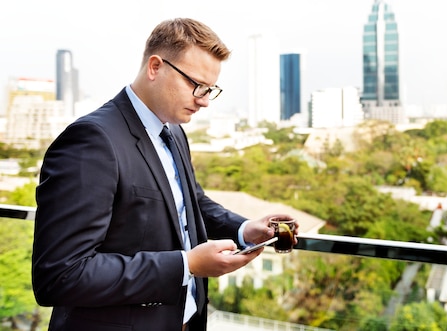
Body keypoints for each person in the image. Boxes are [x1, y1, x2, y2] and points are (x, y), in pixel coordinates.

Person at [31, 18, 297, 331]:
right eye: (197, 85)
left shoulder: (173, 130)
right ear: (155, 67)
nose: (205, 101)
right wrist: (187, 265)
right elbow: (60, 275)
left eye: (211, 90)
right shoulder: (91, 141)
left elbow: (190, 201)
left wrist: (243, 229)